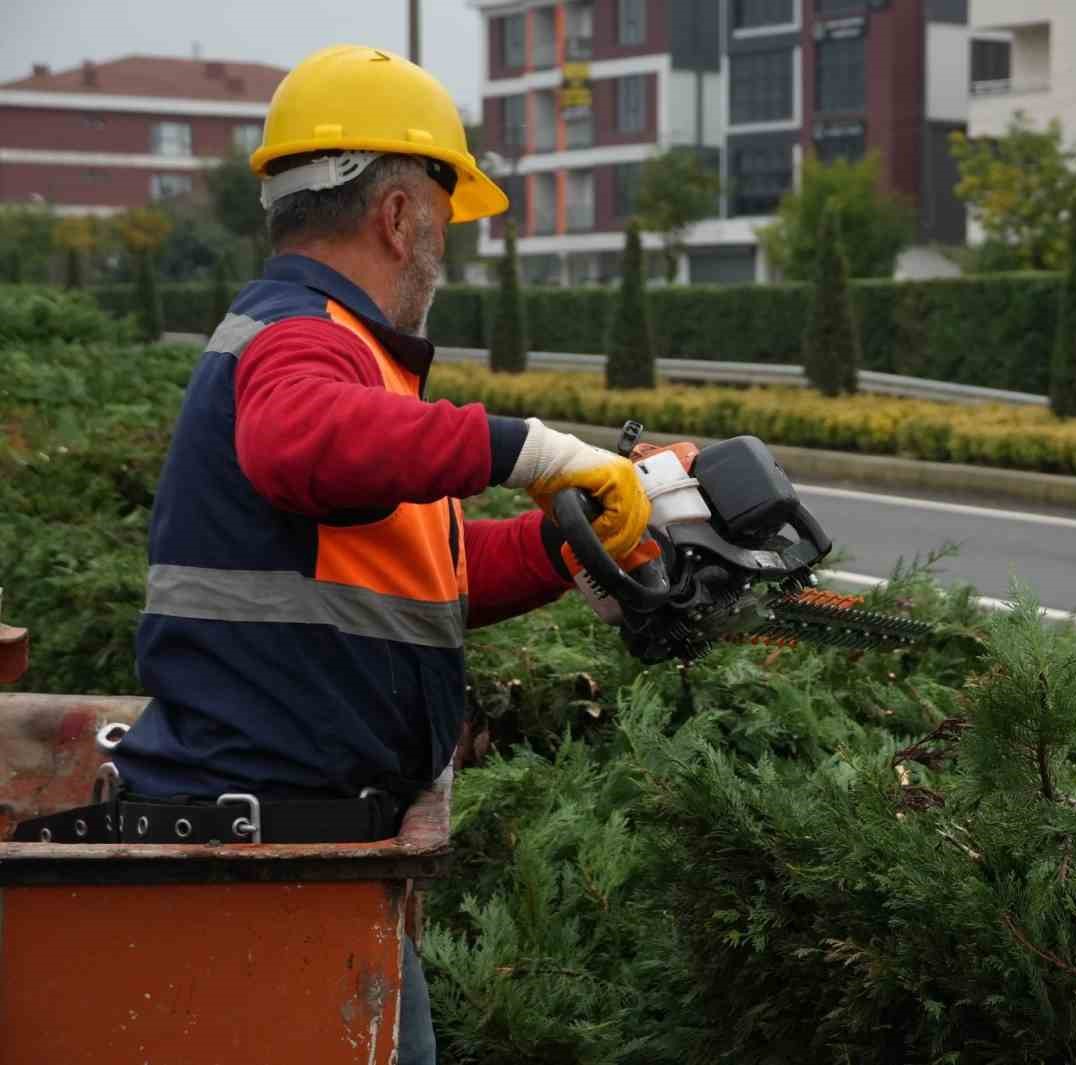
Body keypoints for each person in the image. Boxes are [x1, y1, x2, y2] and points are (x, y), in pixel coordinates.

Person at [106, 45, 650, 1064]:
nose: (446, 250)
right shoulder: (298, 340)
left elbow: (416, 586)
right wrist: (527, 449)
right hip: (265, 862)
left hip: (319, 850)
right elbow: (299, 441)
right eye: (444, 221)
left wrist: (567, 545)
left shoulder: (349, 366)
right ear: (400, 217)